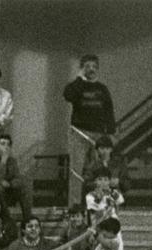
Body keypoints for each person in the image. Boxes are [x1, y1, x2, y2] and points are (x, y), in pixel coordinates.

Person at [63, 54, 115, 203]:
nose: (91, 69)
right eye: (88, 67)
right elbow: (68, 96)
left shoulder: (102, 89)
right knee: (76, 172)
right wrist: (79, 79)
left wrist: (110, 134)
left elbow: (109, 111)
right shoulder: (76, 86)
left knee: (100, 171)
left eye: (94, 67)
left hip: (98, 136)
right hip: (79, 133)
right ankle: (74, 206)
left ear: (98, 69)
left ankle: (100, 203)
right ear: (82, 68)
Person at [0, 134, 34, 222]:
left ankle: (27, 220)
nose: (6, 147)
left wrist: (10, 184)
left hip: (9, 191)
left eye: (8, 144)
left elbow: (18, 178)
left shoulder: (12, 161)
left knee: (25, 188)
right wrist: (3, 161)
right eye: (3, 144)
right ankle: (5, 220)